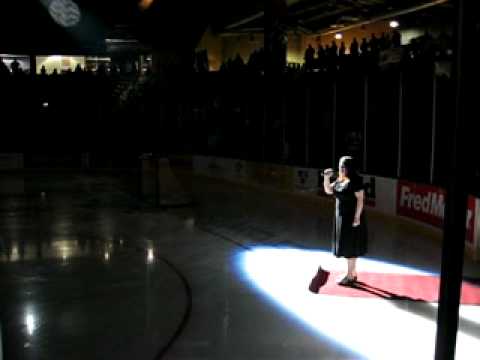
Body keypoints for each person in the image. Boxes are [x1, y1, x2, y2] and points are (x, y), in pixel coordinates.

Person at [323, 155, 368, 286]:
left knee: (351, 246)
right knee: (348, 246)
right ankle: (352, 273)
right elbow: (328, 190)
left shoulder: (356, 181)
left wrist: (357, 217)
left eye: (344, 167)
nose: (341, 169)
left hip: (351, 217)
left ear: (350, 168)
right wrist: (326, 178)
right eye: (340, 167)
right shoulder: (340, 179)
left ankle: (349, 275)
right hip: (341, 217)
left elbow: (360, 200)